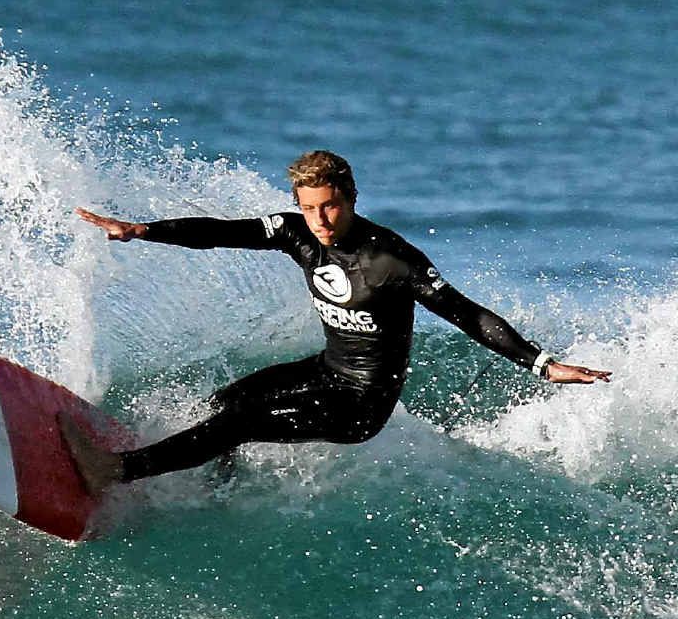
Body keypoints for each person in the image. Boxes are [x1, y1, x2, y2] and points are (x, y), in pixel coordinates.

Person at [61, 150, 611, 493]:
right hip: (328, 370)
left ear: (350, 198)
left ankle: (117, 472)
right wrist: (142, 231)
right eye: (309, 208)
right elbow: (222, 232)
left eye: (330, 206)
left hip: (360, 406)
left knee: (240, 420)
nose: (320, 220)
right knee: (229, 401)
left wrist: (542, 364)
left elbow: (466, 312)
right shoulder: (297, 231)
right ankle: (215, 482)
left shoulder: (391, 259)